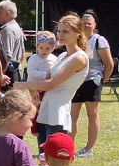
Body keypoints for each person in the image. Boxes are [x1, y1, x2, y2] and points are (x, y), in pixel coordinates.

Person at [18, 14, 89, 150]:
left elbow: (51, 84)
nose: (60, 35)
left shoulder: (79, 58)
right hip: (45, 108)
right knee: (43, 159)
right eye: (59, 31)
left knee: (54, 158)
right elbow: (45, 81)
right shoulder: (62, 55)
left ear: (77, 33)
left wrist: (23, 85)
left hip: (58, 113)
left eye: (65, 31)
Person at [68, 10, 113, 157]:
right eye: (84, 22)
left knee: (92, 115)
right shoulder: (76, 39)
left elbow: (109, 64)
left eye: (89, 23)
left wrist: (102, 80)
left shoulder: (99, 40)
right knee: (72, 115)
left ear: (95, 25)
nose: (86, 25)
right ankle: (68, 147)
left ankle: (89, 148)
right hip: (76, 82)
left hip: (92, 82)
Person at [26, 31, 58, 137]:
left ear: (52, 48)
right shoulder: (34, 58)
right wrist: (46, 75)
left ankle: (46, 125)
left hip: (49, 87)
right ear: (37, 46)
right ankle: (35, 129)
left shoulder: (54, 59)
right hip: (35, 86)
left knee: (46, 107)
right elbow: (31, 72)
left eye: (48, 48)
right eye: (42, 48)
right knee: (36, 106)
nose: (44, 51)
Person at [0, 0, 26, 79]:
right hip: (15, 71)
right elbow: (22, 55)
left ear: (7, 13)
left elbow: (7, 56)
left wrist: (1, 75)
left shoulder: (7, 29)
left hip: (8, 74)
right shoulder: (16, 27)